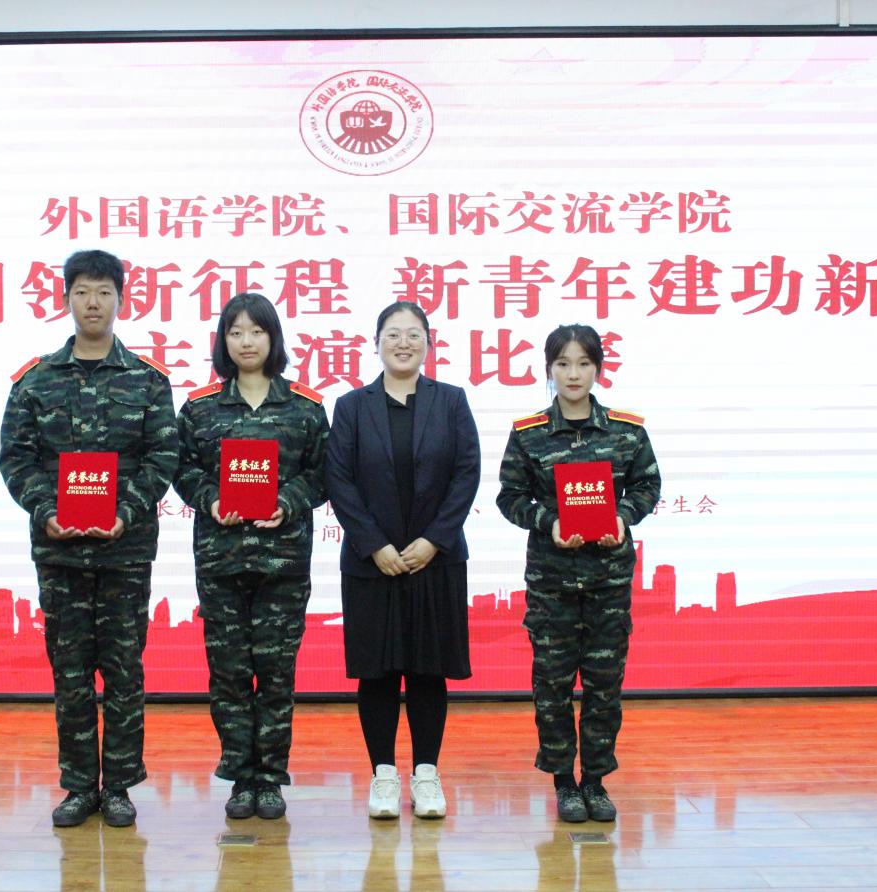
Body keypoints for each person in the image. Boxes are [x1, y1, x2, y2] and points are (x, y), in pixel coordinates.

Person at [0, 249, 177, 829]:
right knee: (70, 672)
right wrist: (45, 509)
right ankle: (79, 786)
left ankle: (119, 786)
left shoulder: (148, 380)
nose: (92, 302)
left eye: (103, 292)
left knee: (124, 670)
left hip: (126, 550)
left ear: (121, 300)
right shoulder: (35, 380)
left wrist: (126, 510)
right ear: (66, 299)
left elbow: (163, 457)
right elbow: (16, 458)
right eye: (82, 292)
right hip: (61, 552)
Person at [172, 292, 329, 820]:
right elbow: (181, 468)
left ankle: (271, 778)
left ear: (273, 338)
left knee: (277, 674)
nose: (246, 341)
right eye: (236, 332)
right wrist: (211, 499)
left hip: (283, 564)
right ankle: (241, 777)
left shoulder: (305, 407)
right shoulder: (199, 407)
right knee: (230, 674)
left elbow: (323, 473)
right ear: (223, 341)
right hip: (221, 561)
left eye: (256, 331)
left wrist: (288, 502)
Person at [496, 323, 661, 824]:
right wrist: (549, 522)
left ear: (598, 368)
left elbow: (648, 486)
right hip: (552, 584)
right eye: (563, 364)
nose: (573, 374)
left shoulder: (627, 432)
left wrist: (622, 517)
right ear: (548, 369)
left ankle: (595, 780)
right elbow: (510, 497)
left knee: (604, 685)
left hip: (608, 581)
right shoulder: (529, 433)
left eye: (584, 363)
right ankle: (564, 782)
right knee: (552, 685)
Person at [325, 300, 481, 820]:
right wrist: (375, 544)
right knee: (377, 673)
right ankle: (384, 775)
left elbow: (466, 473)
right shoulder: (352, 407)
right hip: (372, 564)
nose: (403, 343)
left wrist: (434, 540)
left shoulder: (451, 401)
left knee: (427, 672)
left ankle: (427, 774)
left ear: (429, 344)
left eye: (414, 334)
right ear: (376, 343)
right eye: (393, 334)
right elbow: (339, 479)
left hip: (435, 560)